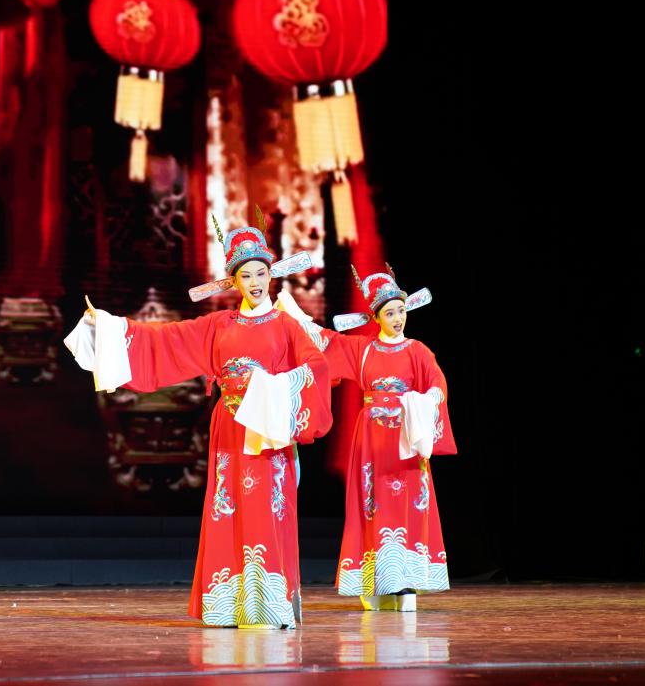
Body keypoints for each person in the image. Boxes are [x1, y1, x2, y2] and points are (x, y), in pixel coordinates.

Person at [65, 219, 332, 628]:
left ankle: (266, 603)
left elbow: (316, 365)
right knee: (228, 507)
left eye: (261, 273)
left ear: (271, 275)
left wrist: (279, 385)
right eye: (246, 275)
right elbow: (164, 340)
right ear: (234, 281)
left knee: (266, 509)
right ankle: (229, 604)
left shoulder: (285, 325)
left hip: (267, 428)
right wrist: (110, 327)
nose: (255, 282)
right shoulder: (219, 325)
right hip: (230, 426)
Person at [279, 265, 457, 612]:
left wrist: (429, 398)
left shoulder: (417, 351)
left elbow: (437, 383)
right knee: (374, 506)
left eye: (401, 310)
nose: (397, 318)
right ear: (376, 317)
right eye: (390, 313)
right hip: (373, 442)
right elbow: (324, 342)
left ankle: (405, 581)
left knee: (408, 504)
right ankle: (375, 581)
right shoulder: (362, 350)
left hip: (406, 437)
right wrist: (293, 312)